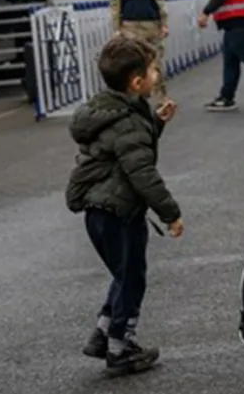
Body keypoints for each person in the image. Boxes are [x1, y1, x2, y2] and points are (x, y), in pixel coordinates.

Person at [64, 34, 184, 375]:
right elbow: (142, 172)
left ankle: (103, 334)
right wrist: (170, 214)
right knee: (132, 279)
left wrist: (156, 122)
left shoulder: (111, 110)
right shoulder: (129, 119)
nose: (156, 74)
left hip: (100, 212)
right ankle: (120, 347)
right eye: (153, 70)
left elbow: (128, 148)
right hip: (120, 213)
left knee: (123, 275)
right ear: (136, 82)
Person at [110, 0, 170, 106]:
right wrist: (117, 29)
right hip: (130, 28)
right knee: (134, 63)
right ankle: (136, 98)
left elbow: (161, 4)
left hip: (151, 27)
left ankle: (161, 98)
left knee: (154, 63)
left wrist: (164, 25)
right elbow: (115, 8)